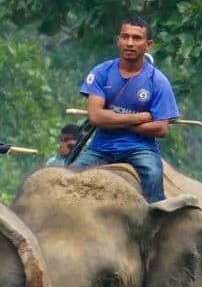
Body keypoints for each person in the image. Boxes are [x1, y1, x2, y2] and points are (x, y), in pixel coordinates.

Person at [71, 16, 178, 203]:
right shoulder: (101, 72)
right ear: (118, 40)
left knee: (153, 175)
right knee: (68, 177)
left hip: (140, 149)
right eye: (125, 37)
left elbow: (161, 129)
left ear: (148, 44)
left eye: (136, 38)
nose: (130, 43)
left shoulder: (158, 81)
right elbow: (96, 117)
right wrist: (141, 117)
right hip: (100, 148)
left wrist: (112, 119)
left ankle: (159, 225)